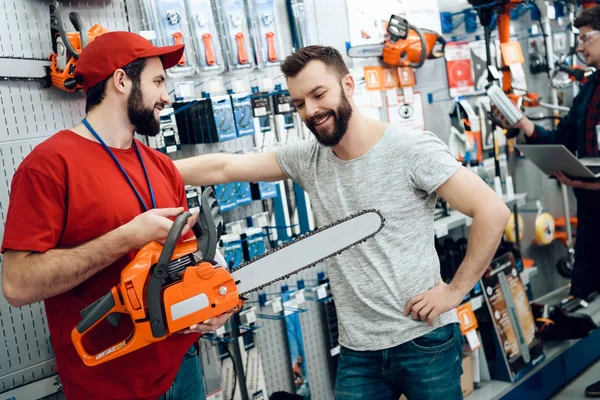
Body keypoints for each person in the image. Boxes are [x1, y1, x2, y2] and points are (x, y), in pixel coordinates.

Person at [175, 45, 511, 399]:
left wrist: (455, 292)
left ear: (348, 84)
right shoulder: (308, 158)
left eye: (319, 95)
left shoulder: (411, 149)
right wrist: (149, 173)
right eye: (299, 104)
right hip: (357, 350)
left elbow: (492, 211)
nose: (311, 111)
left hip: (423, 340)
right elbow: (225, 167)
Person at [0, 31, 229, 400]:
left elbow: (185, 261)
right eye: (157, 82)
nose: (165, 97)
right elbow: (17, 284)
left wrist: (213, 300)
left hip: (181, 370)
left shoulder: (161, 166)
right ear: (121, 80)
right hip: (107, 383)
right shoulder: (48, 167)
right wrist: (127, 237)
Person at [494, 6, 600, 398]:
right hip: (593, 209)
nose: (579, 46)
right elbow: (566, 136)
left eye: (586, 37)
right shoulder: (590, 89)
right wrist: (523, 125)